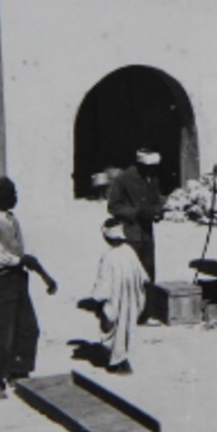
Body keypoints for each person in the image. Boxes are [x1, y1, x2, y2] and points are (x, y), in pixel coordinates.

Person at [0, 176, 57, 399]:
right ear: (1, 197)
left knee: (28, 327)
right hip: (3, 280)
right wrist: (20, 261)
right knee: (3, 332)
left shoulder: (12, 219)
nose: (16, 198)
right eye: (12, 194)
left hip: (19, 280)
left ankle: (18, 370)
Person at [79, 217, 148, 374]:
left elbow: (104, 285)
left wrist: (97, 301)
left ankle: (117, 362)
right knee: (126, 329)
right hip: (130, 300)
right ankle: (122, 359)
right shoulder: (130, 252)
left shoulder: (108, 257)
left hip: (115, 301)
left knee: (113, 328)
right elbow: (143, 277)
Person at [107, 149, 165, 281]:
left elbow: (156, 200)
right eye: (149, 167)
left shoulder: (153, 178)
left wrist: (158, 211)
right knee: (130, 274)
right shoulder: (123, 179)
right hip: (130, 234)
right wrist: (136, 212)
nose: (152, 170)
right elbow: (113, 206)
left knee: (148, 273)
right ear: (140, 165)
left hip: (147, 234)